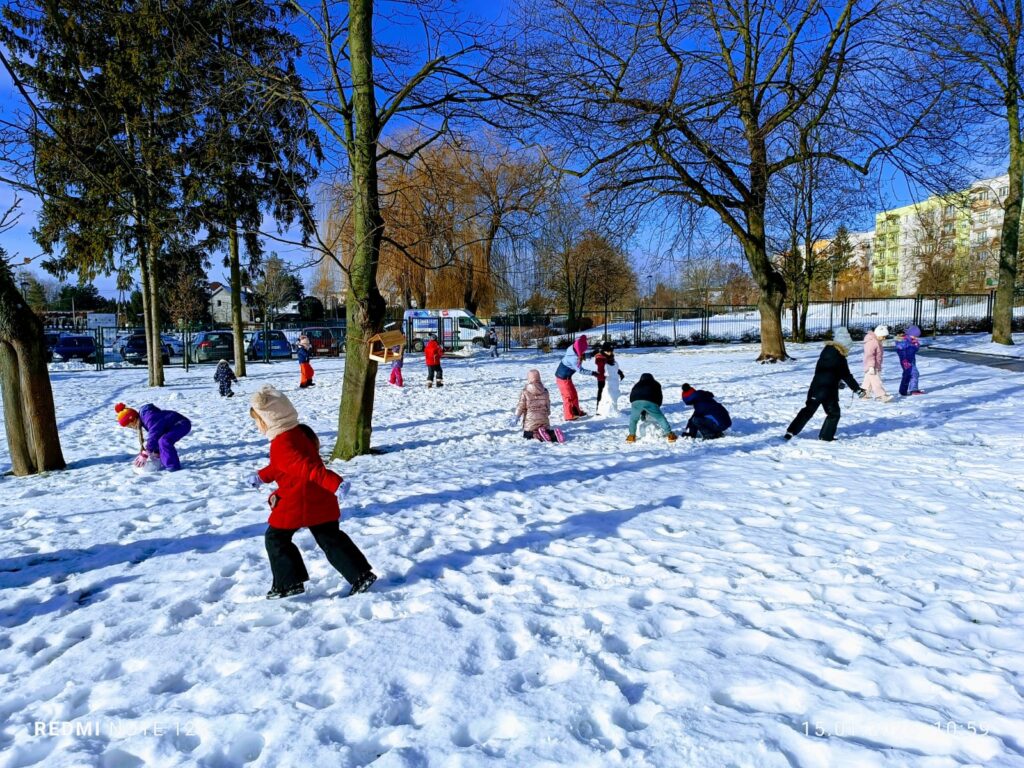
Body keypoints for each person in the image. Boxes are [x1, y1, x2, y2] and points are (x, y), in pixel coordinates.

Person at [247, 384, 377, 599]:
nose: (257, 426)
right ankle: (361, 575)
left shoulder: (282, 443)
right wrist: (261, 476)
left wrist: (335, 483)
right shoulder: (297, 433)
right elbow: (284, 466)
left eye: (257, 421)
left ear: (268, 420)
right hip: (319, 497)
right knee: (329, 537)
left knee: (276, 538)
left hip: (299, 500)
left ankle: (289, 583)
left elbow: (308, 468)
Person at [784, 329, 866, 442]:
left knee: (808, 410)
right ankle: (826, 437)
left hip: (816, 387)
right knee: (834, 413)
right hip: (828, 391)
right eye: (848, 347)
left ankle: (791, 431)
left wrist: (837, 381)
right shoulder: (840, 358)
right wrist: (857, 390)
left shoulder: (826, 352)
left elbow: (828, 372)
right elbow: (847, 375)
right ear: (844, 346)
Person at [115, 402, 192, 471]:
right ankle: (166, 463)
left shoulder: (149, 418)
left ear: (133, 419)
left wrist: (146, 452)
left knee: (164, 441)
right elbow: (158, 434)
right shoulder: (145, 419)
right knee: (162, 440)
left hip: (181, 424)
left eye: (129, 425)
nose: (131, 428)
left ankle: (173, 467)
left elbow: (154, 435)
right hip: (174, 426)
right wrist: (156, 451)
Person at [514, 368, 564, 442]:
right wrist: (547, 412)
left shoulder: (525, 391)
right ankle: (553, 434)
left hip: (530, 421)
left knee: (527, 434)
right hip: (544, 419)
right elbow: (548, 403)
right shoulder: (545, 391)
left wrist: (516, 416)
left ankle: (536, 435)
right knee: (546, 431)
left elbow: (521, 405)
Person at [555, 334, 597, 420]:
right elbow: (581, 370)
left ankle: (576, 411)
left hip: (567, 378)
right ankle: (569, 415)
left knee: (574, 394)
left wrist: (592, 354)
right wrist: (593, 373)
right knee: (568, 397)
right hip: (562, 379)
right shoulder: (573, 359)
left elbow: (581, 355)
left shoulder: (573, 349)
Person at [626, 373, 678, 443]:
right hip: (650, 401)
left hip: (635, 401)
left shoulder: (637, 384)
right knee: (660, 418)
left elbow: (632, 396)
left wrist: (637, 405)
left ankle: (631, 437)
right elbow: (659, 397)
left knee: (633, 420)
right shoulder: (656, 384)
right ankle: (670, 435)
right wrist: (657, 407)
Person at [861, 325, 893, 402]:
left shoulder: (877, 341)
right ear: (878, 334)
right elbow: (869, 355)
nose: (884, 338)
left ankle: (864, 394)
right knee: (876, 381)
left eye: (885, 336)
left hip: (874, 365)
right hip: (871, 365)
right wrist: (871, 366)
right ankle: (882, 395)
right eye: (883, 336)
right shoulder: (872, 342)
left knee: (868, 381)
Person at [594, 341, 626, 411]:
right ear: (603, 350)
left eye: (611, 351)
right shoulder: (600, 358)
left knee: (611, 395)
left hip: (611, 379)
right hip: (602, 379)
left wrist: (620, 372)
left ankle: (611, 409)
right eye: (608, 351)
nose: (610, 353)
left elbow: (613, 367)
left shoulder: (610, 357)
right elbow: (601, 371)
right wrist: (603, 379)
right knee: (602, 393)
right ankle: (599, 409)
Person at [896, 325, 924, 396]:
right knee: (914, 373)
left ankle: (903, 391)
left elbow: (914, 350)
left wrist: (916, 345)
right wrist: (904, 360)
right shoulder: (903, 341)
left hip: (911, 360)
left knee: (908, 375)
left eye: (917, 336)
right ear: (909, 334)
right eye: (914, 336)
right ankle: (913, 390)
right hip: (906, 361)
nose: (915, 338)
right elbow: (901, 351)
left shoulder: (911, 341)